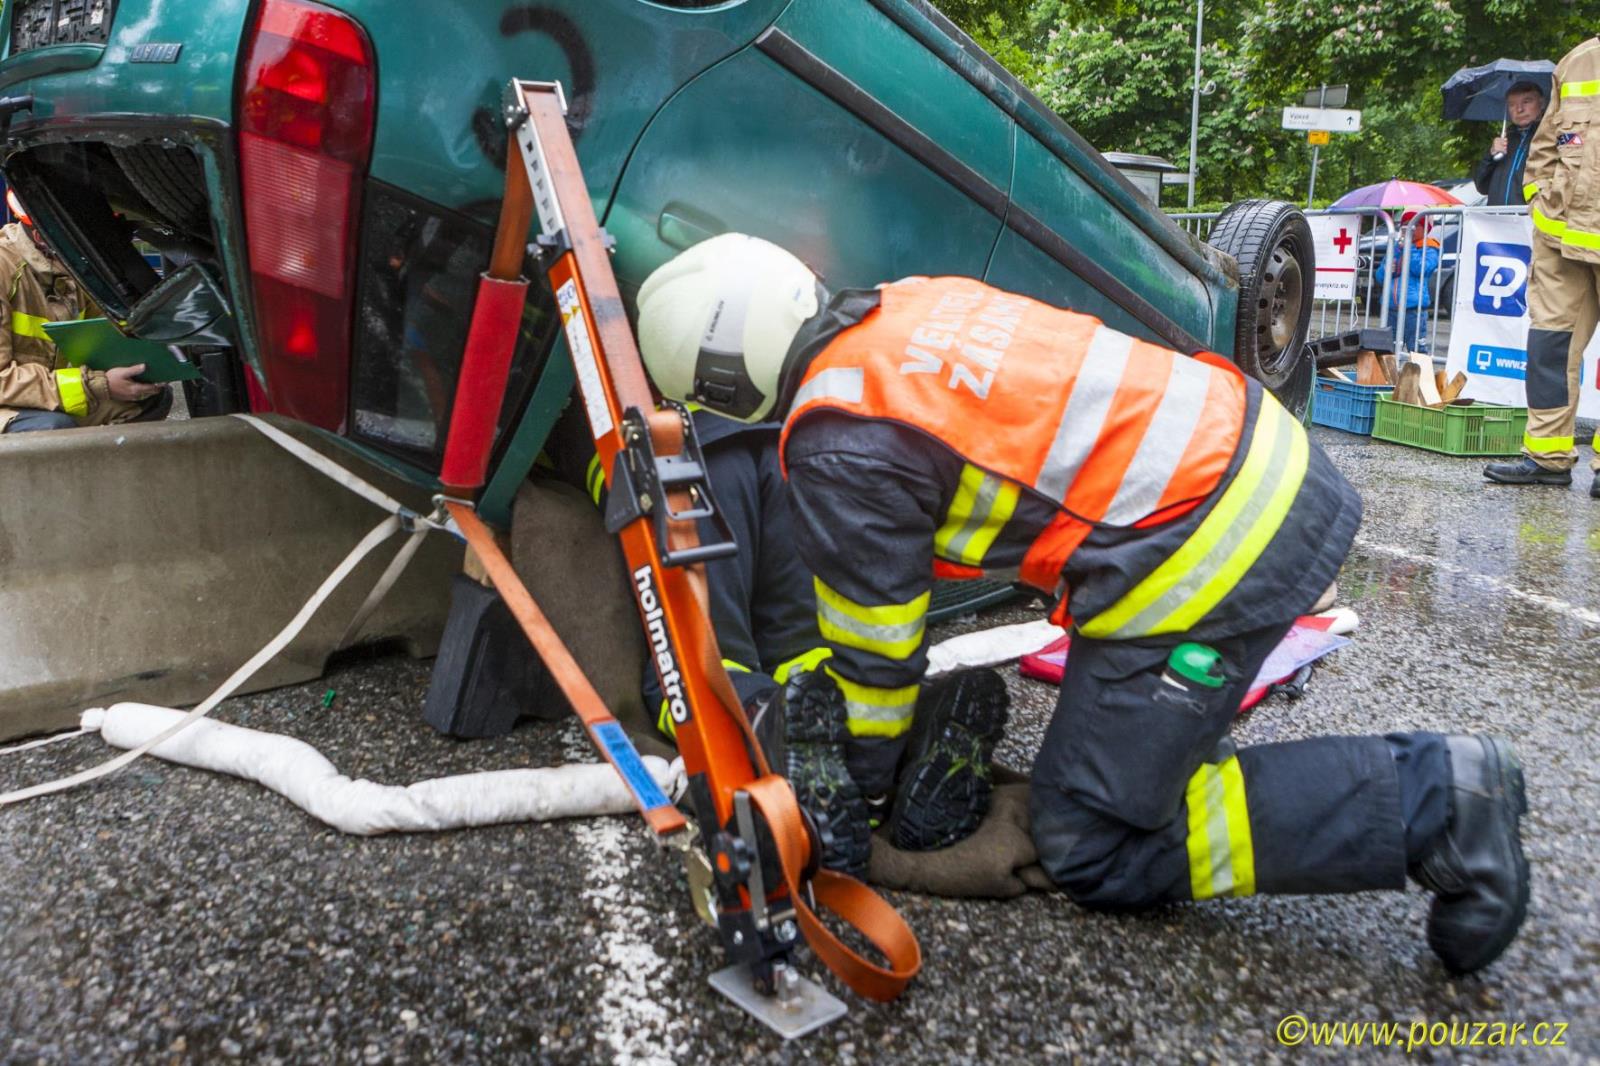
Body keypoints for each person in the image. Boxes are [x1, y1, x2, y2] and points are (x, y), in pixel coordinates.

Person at [634, 232, 1531, 975]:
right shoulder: (906, 302)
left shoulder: (840, 438)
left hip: (1210, 548)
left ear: (717, 385)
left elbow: (874, 656)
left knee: (1090, 843)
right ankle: (1164, 752)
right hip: (1255, 463)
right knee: (1134, 758)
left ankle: (1440, 803)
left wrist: (862, 797)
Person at [1484, 36, 1600, 498]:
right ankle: (1548, 457)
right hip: (1561, 236)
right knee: (1548, 346)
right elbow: (1548, 142)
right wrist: (1538, 197)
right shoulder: (1579, 61)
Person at [0, 190, 166, 434]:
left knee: (148, 399)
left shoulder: (70, 269)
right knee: (52, 429)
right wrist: (96, 385)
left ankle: (101, 470)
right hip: (9, 402)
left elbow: (103, 338)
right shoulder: (6, 269)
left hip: (44, 394)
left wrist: (145, 360)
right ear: (41, 235)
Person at [1374, 209, 1442, 353]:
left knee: (1416, 349)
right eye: (1405, 226)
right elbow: (1379, 277)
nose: (1409, 229)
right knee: (1388, 349)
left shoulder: (1429, 247)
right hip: (1391, 308)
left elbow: (1422, 270)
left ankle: (1421, 374)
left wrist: (1409, 248)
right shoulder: (1395, 247)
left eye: (1414, 226)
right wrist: (1387, 270)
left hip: (1414, 310)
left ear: (1425, 229)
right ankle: (1390, 375)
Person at [1473, 82, 1548, 207]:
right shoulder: (1505, 139)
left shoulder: (1549, 137)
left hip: (1532, 220)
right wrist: (1491, 155)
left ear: (1542, 103)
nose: (1519, 109)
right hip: (1498, 220)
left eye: (1526, 101)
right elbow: (1482, 186)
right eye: (1512, 104)